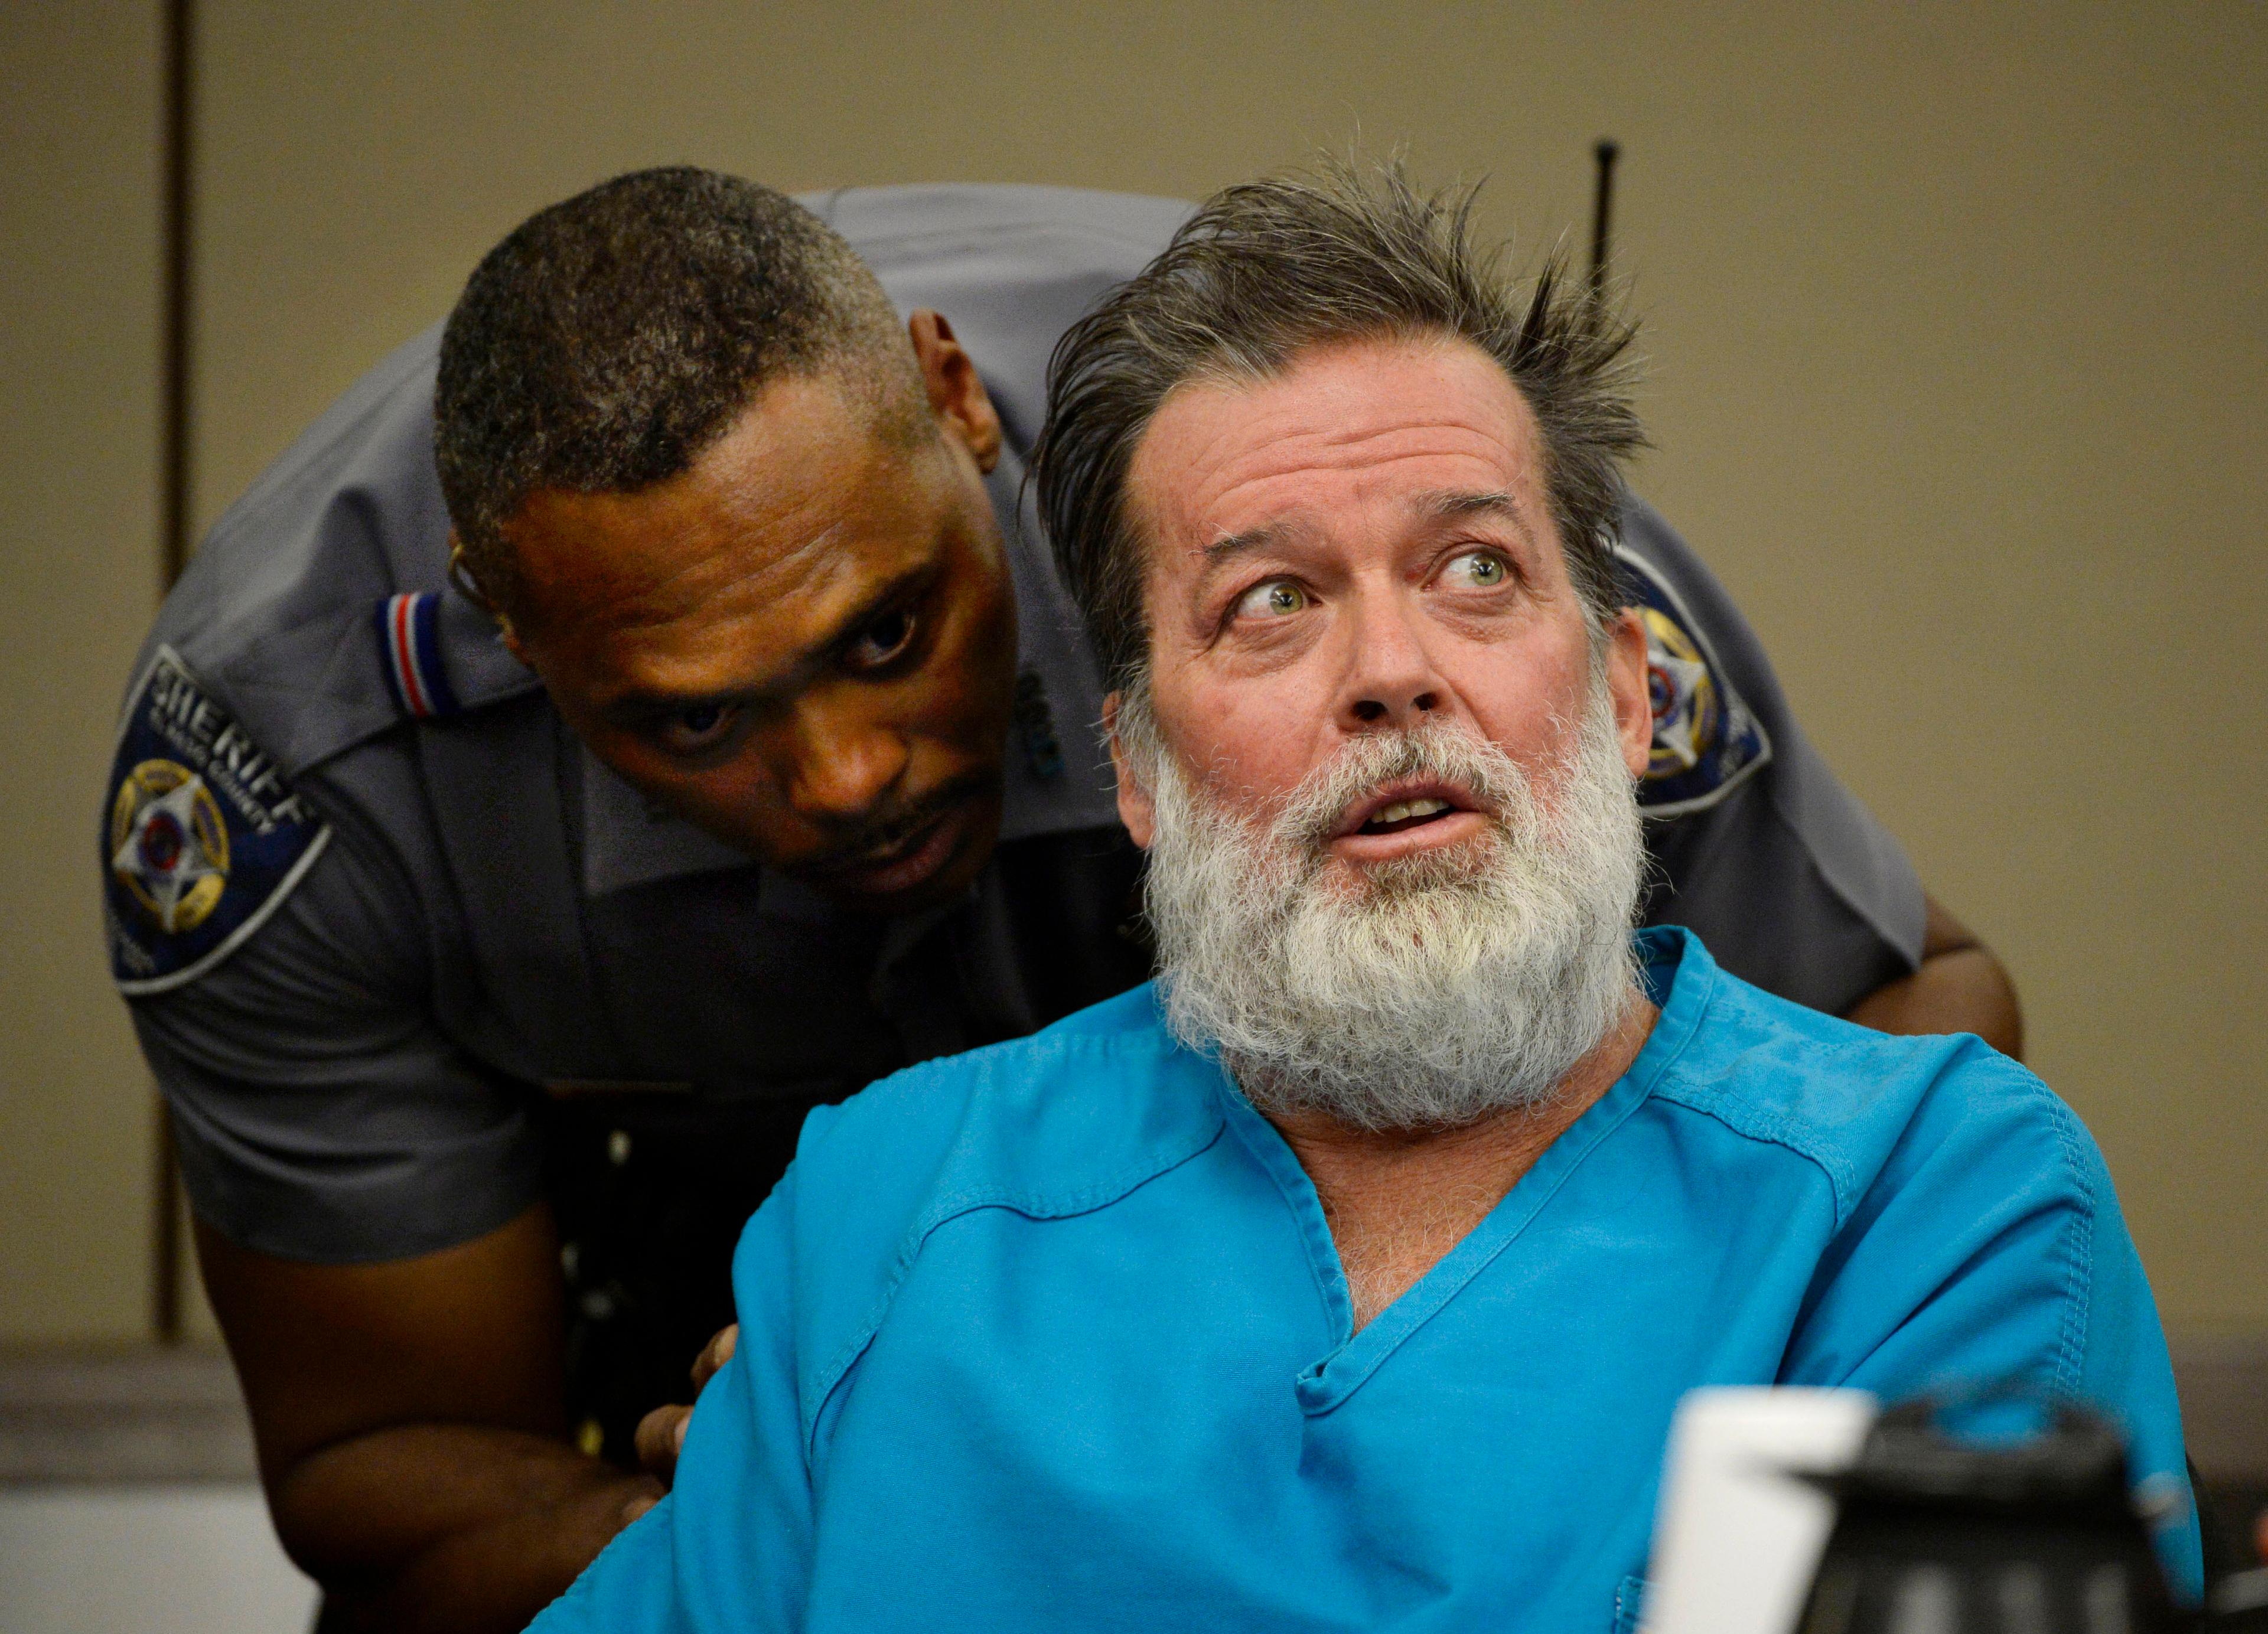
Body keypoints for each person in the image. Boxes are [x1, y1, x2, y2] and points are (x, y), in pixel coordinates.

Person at [103, 170, 2014, 1632]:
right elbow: (375, 1458)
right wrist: (835, 1503)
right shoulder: (302, 771)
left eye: (890, 629)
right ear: (514, 636)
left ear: (958, 407)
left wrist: (1573, 1494)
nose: (849, 776)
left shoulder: (1328, 504)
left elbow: (1895, 1061)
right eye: (693, 718)